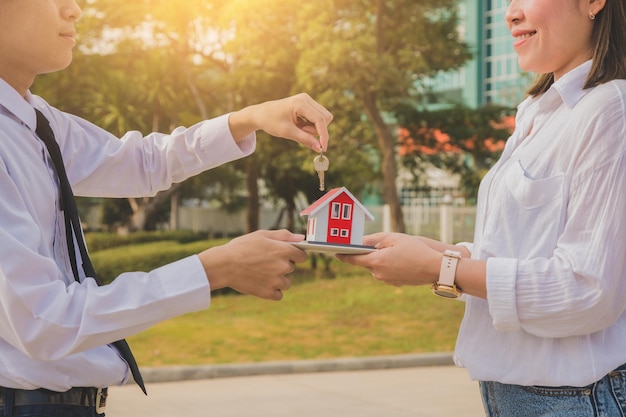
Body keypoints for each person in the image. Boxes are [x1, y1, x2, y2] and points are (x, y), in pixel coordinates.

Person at [0, 0, 332, 415]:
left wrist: (251, 118)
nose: (74, 10)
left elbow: (141, 163)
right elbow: (45, 321)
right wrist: (215, 269)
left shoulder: (33, 119)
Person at [338, 0, 626, 415]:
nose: (509, 14)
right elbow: (522, 254)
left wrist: (442, 270)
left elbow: (587, 290)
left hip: (578, 399)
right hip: (518, 397)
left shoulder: (609, 109)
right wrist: (438, 254)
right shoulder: (539, 113)